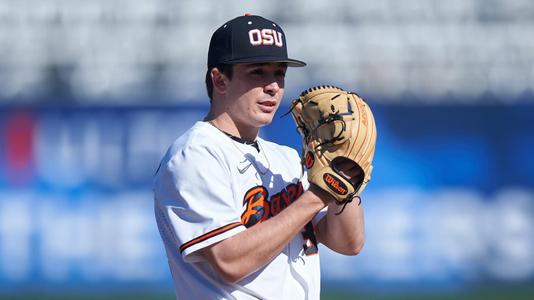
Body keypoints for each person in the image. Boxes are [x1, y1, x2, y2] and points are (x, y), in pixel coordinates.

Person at [153, 14, 365, 299]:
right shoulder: (194, 156)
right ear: (219, 80)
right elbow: (230, 261)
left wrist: (345, 181)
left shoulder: (286, 158)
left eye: (279, 73)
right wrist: (319, 195)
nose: (273, 86)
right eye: (257, 72)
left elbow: (348, 243)